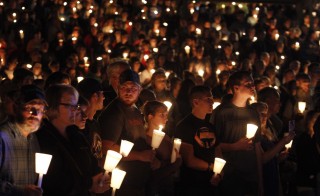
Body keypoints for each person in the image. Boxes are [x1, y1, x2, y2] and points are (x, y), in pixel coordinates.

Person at [36, 84, 110, 195]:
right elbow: (52, 180)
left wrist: (100, 177)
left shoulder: (77, 135)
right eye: (70, 105)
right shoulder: (43, 138)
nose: (76, 110)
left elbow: (91, 163)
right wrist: (89, 184)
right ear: (53, 106)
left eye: (77, 106)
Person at [98, 69, 157, 196]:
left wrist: (151, 156)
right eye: (125, 87)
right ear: (118, 88)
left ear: (140, 90)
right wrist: (141, 156)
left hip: (136, 182)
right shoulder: (115, 112)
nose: (129, 92)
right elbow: (107, 148)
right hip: (122, 185)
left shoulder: (134, 109)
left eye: (133, 88)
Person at [210, 71, 263, 196]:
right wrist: (235, 146)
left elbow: (257, 147)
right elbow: (213, 145)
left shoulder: (253, 113)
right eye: (248, 84)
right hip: (229, 174)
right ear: (236, 88)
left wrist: (260, 181)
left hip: (250, 175)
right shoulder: (221, 112)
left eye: (253, 83)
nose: (253, 87)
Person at [175, 85, 222, 195]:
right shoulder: (184, 126)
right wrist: (212, 167)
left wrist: (219, 173)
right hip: (192, 185)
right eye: (208, 99)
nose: (212, 103)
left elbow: (218, 152)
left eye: (212, 99)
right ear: (196, 102)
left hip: (211, 183)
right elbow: (189, 160)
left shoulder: (210, 126)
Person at [0, 85, 47, 195]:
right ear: (16, 108)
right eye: (30, 108)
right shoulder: (2, 138)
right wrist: (19, 191)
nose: (35, 114)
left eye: (40, 109)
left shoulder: (33, 139)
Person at [143, 100, 182, 196]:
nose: (166, 119)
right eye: (162, 115)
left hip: (168, 186)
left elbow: (174, 159)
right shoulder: (144, 139)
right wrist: (176, 163)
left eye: (166, 115)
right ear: (150, 117)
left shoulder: (165, 137)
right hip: (154, 189)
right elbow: (153, 171)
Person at [77, 78, 105, 164]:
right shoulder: (80, 126)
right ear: (95, 97)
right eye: (102, 94)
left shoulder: (95, 124)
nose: (104, 97)